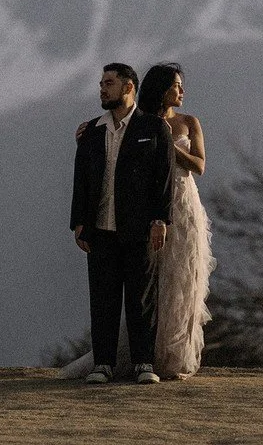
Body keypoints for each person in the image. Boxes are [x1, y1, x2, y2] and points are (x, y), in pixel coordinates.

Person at [67, 63, 172, 385]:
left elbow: (163, 181)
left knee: (142, 299)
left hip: (138, 228)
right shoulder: (91, 132)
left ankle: (144, 363)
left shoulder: (154, 129)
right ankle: (103, 364)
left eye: (109, 83)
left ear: (129, 88)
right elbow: (81, 180)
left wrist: (160, 220)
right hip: (100, 230)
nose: (102, 88)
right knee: (102, 300)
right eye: (101, 83)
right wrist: (79, 223)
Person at [137, 62, 214, 380]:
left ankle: (175, 353)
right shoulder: (141, 123)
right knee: (151, 276)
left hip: (185, 203)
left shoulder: (188, 122)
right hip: (152, 203)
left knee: (183, 276)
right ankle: (146, 354)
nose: (181, 91)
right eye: (176, 86)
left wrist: (169, 144)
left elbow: (199, 164)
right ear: (161, 90)